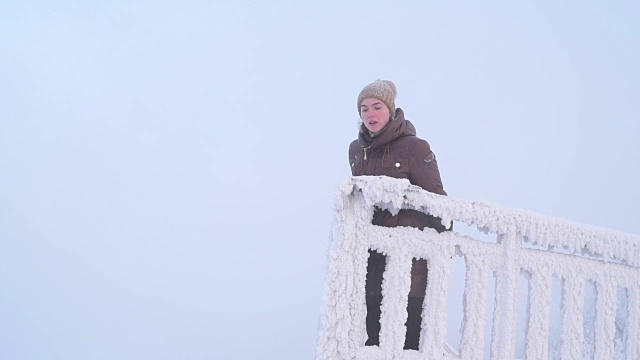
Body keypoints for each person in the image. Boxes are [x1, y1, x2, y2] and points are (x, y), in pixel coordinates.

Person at [348, 80, 449, 350]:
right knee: (373, 341)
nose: (370, 114)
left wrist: (442, 246)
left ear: (391, 110)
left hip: (408, 262)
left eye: (377, 107)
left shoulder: (415, 148)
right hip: (370, 260)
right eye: (364, 108)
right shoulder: (357, 151)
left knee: (407, 342)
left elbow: (438, 202)